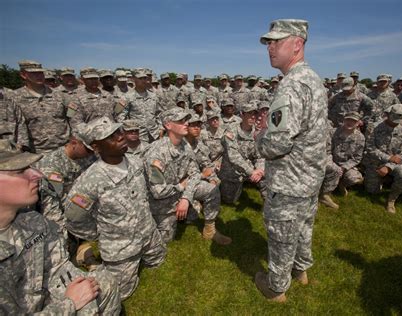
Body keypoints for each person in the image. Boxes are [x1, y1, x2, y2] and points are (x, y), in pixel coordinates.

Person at [0, 140, 121, 314]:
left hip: (44, 299)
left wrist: (81, 288)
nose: (37, 174)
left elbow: (58, 268)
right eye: (20, 171)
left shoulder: (34, 223)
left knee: (104, 282)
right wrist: (69, 304)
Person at [255, 19, 328, 302]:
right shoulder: (313, 78)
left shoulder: (292, 85)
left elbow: (278, 143)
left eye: (277, 41)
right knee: (303, 227)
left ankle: (276, 287)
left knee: (282, 235)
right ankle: (301, 270)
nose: (270, 47)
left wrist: (259, 137)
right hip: (310, 175)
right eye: (268, 42)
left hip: (290, 179)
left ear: (297, 44)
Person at [64, 116, 166, 300]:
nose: (120, 137)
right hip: (120, 247)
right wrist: (100, 234)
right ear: (96, 147)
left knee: (159, 263)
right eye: (111, 137)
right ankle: (90, 262)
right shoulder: (90, 180)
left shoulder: (136, 162)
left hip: (149, 233)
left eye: (118, 132)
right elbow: (74, 218)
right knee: (122, 293)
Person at [144, 107, 231, 245]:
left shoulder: (184, 144)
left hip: (180, 191)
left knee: (211, 190)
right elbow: (158, 192)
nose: (186, 123)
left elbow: (195, 173)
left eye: (186, 120)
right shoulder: (155, 154)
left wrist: (185, 197)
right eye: (180, 121)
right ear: (168, 125)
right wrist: (181, 187)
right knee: (165, 240)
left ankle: (210, 230)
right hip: (162, 202)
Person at [10, 60, 71, 153]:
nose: (39, 76)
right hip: (36, 153)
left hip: (64, 148)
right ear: (23, 75)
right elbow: (13, 128)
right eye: (34, 73)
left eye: (40, 73)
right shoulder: (14, 99)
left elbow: (73, 116)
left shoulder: (60, 96)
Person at [363, 104, 402, 213]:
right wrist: (388, 158)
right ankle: (381, 180)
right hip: (374, 161)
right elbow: (370, 148)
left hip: (394, 164)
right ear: (388, 114)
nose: (395, 122)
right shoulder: (374, 127)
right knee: (371, 191)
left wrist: (388, 167)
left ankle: (391, 200)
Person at [219, 102, 266, 204]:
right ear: (241, 114)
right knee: (229, 201)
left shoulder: (257, 133)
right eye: (249, 113)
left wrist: (259, 170)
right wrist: (251, 172)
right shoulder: (231, 130)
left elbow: (260, 156)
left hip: (249, 168)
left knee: (266, 177)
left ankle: (269, 203)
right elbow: (233, 157)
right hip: (231, 171)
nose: (253, 117)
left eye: (254, 114)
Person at [331, 111, 366, 196]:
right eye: (348, 120)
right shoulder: (333, 132)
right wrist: (333, 165)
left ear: (358, 123)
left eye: (353, 121)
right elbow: (326, 151)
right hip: (331, 162)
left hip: (347, 166)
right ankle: (328, 188)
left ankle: (342, 184)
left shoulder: (360, 138)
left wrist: (344, 168)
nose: (350, 123)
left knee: (354, 178)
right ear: (343, 120)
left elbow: (357, 158)